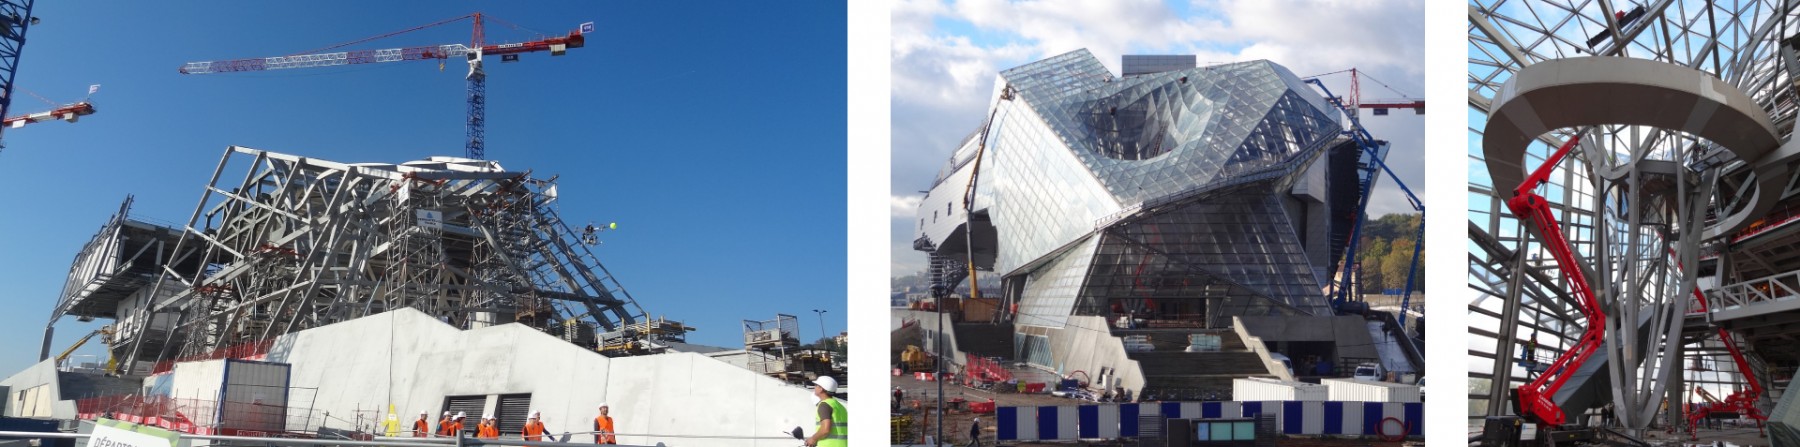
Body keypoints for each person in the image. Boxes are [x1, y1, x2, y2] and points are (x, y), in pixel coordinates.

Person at [805, 376, 848, 447]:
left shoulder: (824, 405)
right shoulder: (839, 405)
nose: (814, 387)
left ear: (821, 389)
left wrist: (813, 439)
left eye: (816, 385)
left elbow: (825, 429)